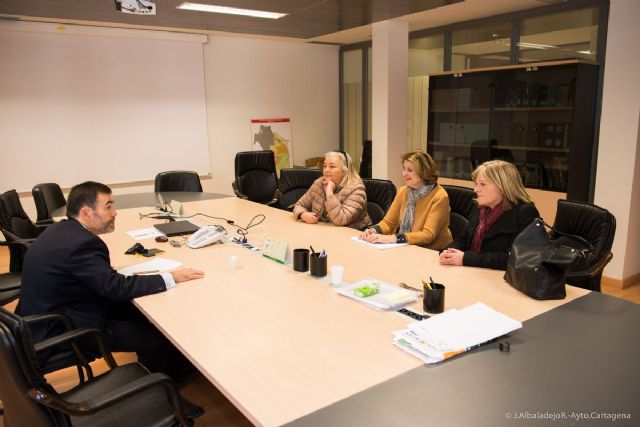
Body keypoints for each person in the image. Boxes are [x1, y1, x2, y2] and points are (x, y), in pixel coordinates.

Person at [17, 181, 205, 415]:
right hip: (65, 329)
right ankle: (161, 393)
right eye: (108, 207)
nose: (114, 212)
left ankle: (165, 373)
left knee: (139, 313)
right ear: (86, 212)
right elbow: (114, 289)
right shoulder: (81, 244)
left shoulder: (60, 231)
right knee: (156, 337)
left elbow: (102, 281)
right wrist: (170, 277)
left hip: (44, 317)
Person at [439, 160, 539, 270]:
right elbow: (463, 239)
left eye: (482, 184)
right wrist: (448, 252)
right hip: (473, 272)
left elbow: (514, 259)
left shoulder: (525, 213)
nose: (476, 189)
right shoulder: (481, 208)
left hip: (501, 280)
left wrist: (466, 258)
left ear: (502, 186)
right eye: (476, 184)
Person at [360, 150, 452, 250]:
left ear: (424, 172)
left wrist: (393, 238)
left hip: (432, 251)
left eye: (410, 170)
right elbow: (389, 223)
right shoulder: (403, 191)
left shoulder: (440, 196)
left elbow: (428, 235)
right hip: (407, 247)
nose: (404, 174)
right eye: (404, 169)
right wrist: (373, 230)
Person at [293, 151, 371, 230]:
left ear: (344, 171)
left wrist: (329, 193)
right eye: (324, 166)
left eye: (332, 167)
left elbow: (341, 220)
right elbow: (299, 205)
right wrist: (303, 214)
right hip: (323, 231)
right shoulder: (319, 183)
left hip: (352, 235)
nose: (326, 170)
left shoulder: (356, 189)